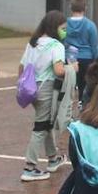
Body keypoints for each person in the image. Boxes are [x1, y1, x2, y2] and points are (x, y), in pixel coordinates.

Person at [20, 10, 69, 182]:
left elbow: (22, 66)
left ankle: (53, 158)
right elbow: (58, 70)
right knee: (40, 127)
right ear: (55, 27)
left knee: (46, 123)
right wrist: (72, 68)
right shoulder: (57, 46)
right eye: (63, 28)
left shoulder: (33, 43)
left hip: (31, 88)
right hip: (46, 88)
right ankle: (29, 167)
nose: (65, 31)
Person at [65, 0, 98, 103]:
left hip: (70, 59)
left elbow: (62, 42)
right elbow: (94, 46)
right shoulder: (90, 25)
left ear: (70, 7)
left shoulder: (64, 25)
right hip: (87, 59)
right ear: (85, 8)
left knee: (68, 88)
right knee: (85, 88)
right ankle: (83, 108)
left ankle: (67, 113)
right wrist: (97, 61)